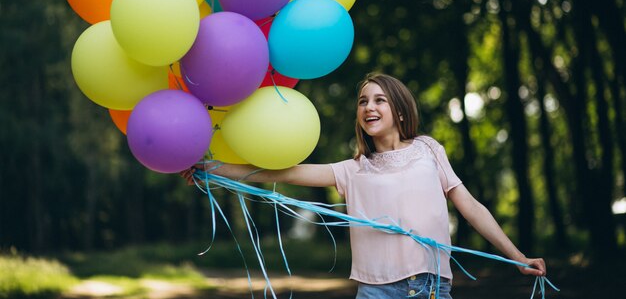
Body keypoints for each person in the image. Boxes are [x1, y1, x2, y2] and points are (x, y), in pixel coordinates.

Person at [181, 72, 546, 299]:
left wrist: (517, 257)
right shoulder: (353, 170)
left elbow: (471, 207)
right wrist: (213, 168)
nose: (368, 107)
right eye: (362, 102)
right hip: (374, 291)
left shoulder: (429, 151)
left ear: (400, 111)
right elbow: (284, 173)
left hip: (431, 288)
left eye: (379, 100)